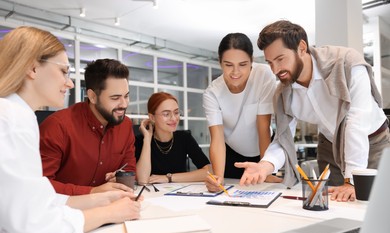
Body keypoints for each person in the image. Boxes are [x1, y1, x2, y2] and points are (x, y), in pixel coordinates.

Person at [0, 26, 140, 233]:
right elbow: (35, 225)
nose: (70, 83)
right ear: (33, 68)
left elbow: (38, 196)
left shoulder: (15, 114)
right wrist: (107, 212)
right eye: (64, 71)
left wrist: (102, 198)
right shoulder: (13, 119)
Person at [236, 20, 390, 202]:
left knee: (375, 205)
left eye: (280, 59)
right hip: (329, 146)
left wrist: (351, 180)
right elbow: (283, 138)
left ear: (301, 47)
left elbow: (356, 121)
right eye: (270, 63)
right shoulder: (284, 94)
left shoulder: (347, 64)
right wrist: (265, 166)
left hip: (372, 141)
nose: (276, 70)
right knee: (332, 205)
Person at [39, 58, 136, 195]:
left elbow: (129, 168)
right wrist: (92, 192)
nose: (124, 104)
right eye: (115, 98)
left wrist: (121, 177)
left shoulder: (125, 125)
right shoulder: (58, 126)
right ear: (92, 96)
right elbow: (41, 185)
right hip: (64, 211)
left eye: (126, 96)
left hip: (111, 207)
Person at [203, 32, 279, 192]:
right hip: (232, 155)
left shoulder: (264, 75)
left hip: (263, 150)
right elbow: (217, 138)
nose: (235, 72)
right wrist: (218, 177)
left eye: (243, 64)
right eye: (228, 65)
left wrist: (264, 167)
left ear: (251, 61)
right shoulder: (212, 93)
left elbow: (263, 126)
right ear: (220, 62)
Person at [135, 92, 210, 184]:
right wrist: (147, 139)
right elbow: (142, 180)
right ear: (152, 117)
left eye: (176, 112)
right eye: (166, 114)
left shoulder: (184, 138)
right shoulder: (140, 141)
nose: (174, 118)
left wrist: (168, 177)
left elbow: (208, 171)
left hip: (180, 194)